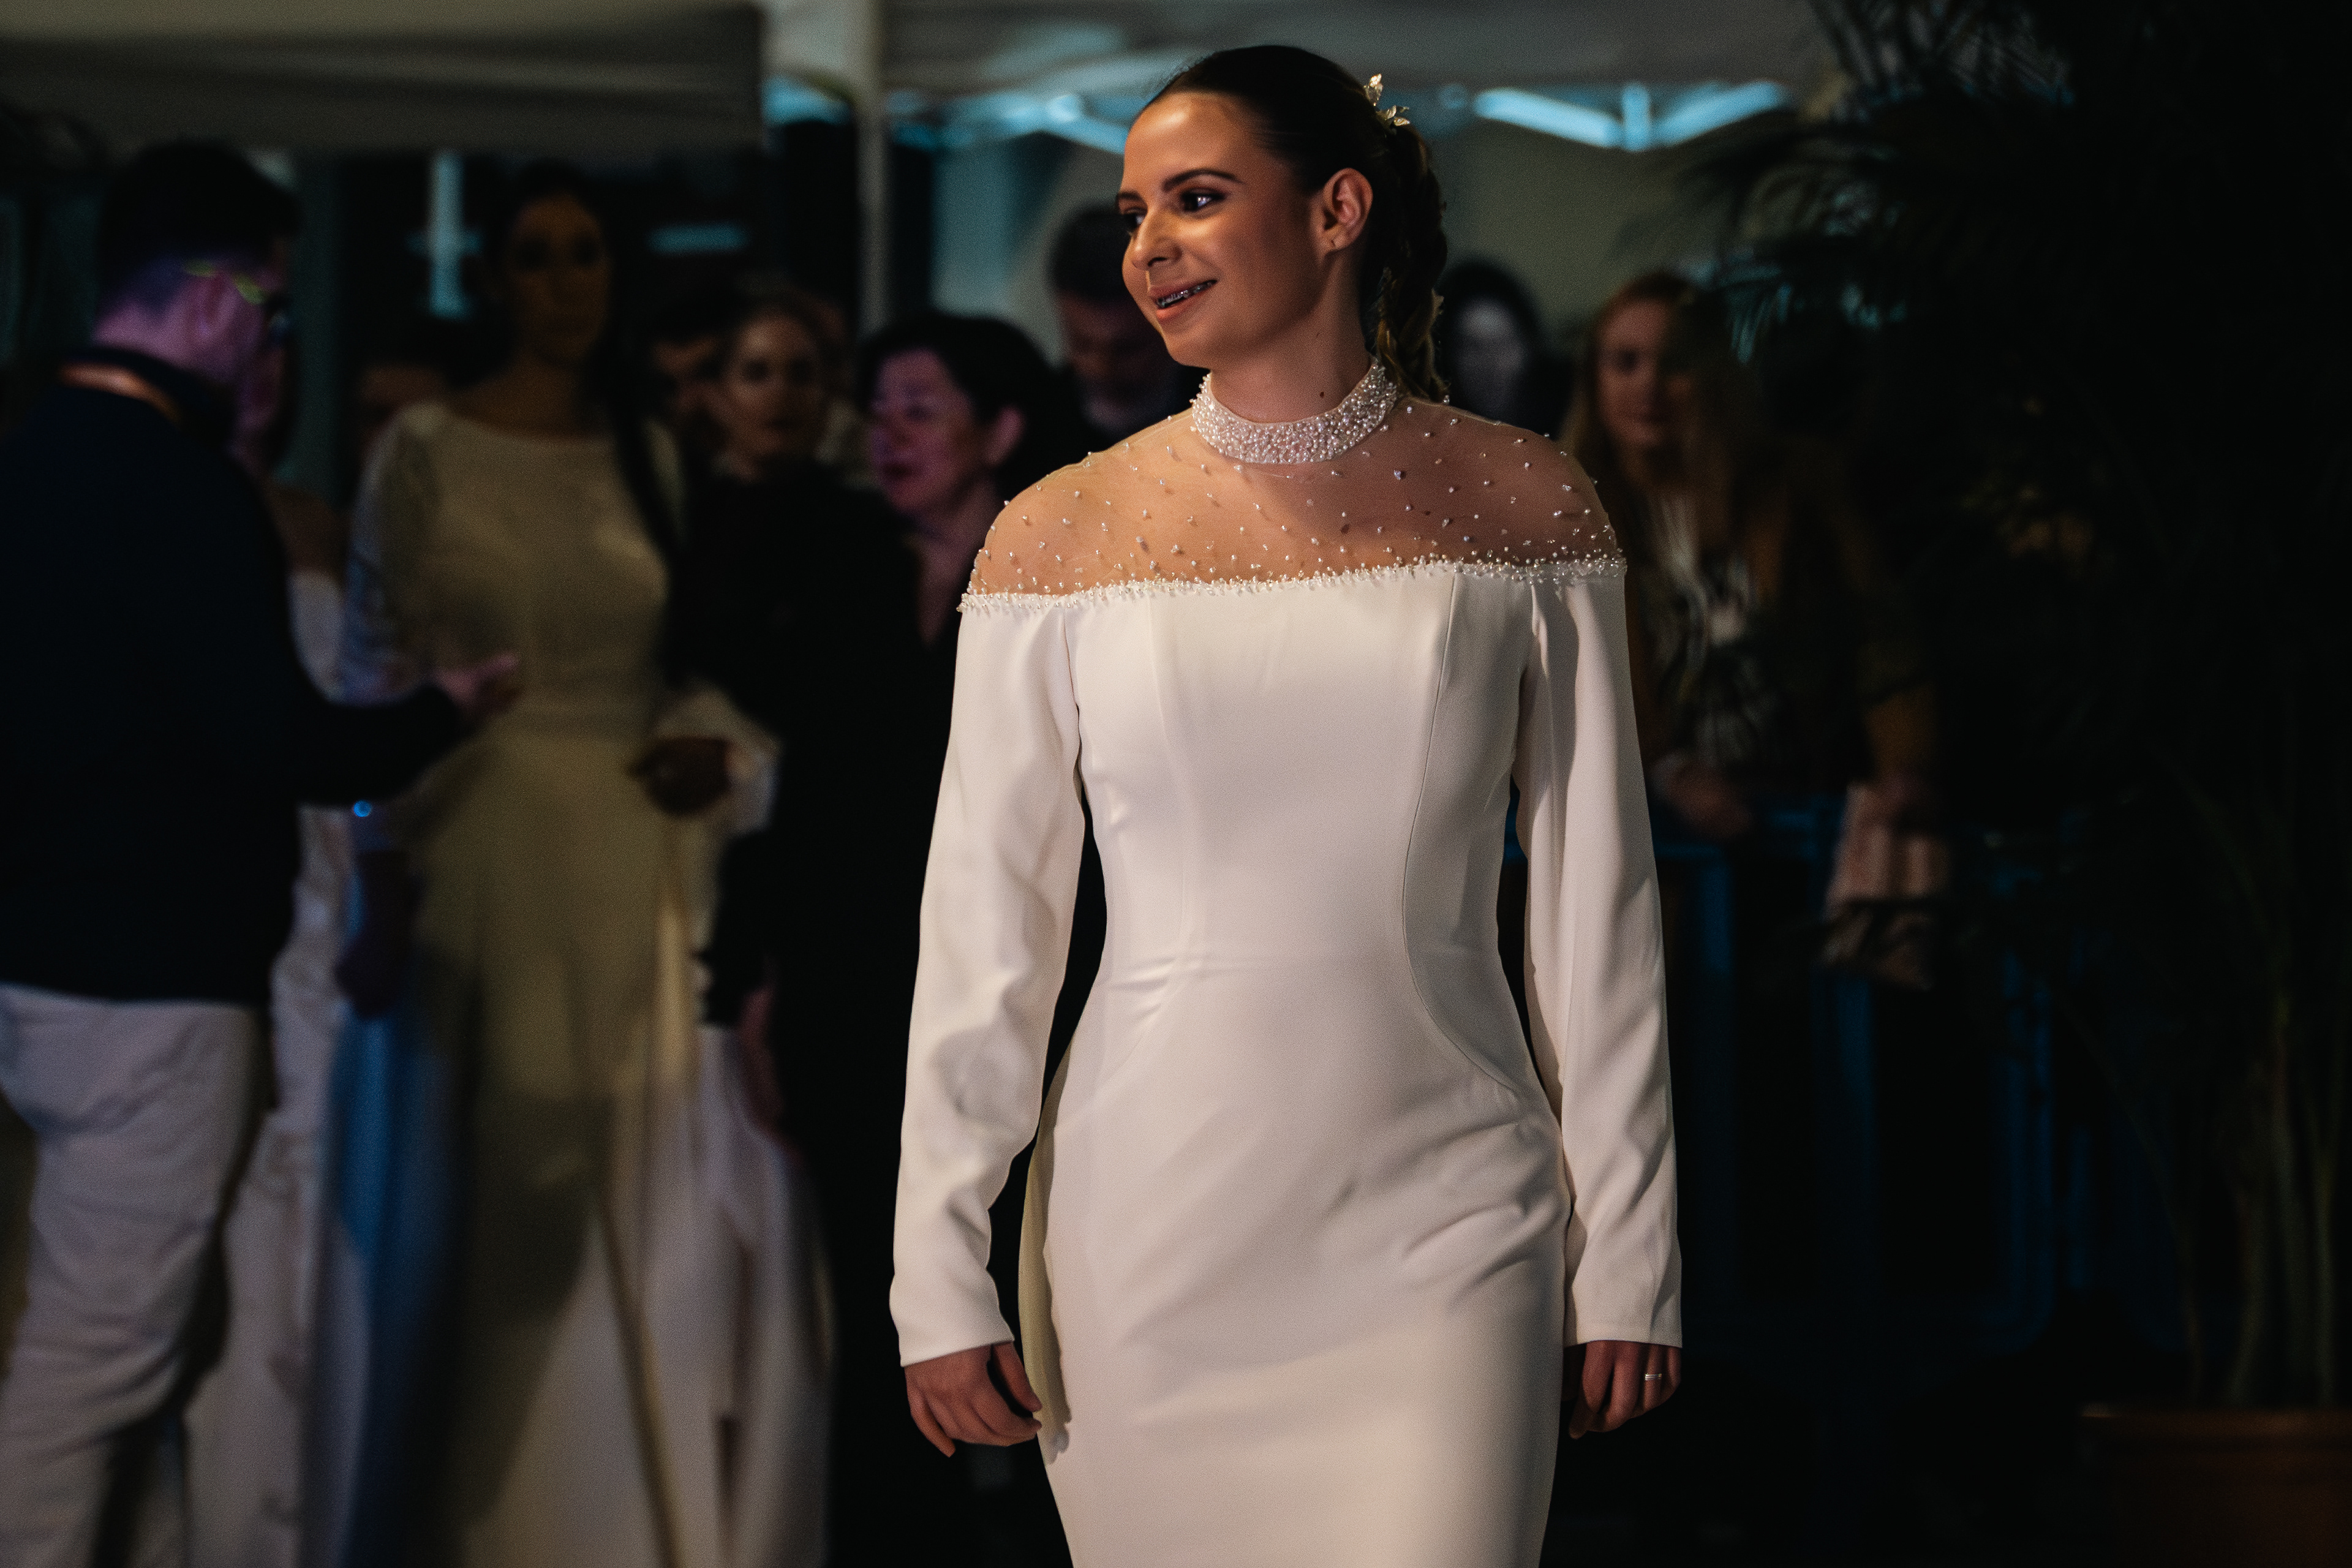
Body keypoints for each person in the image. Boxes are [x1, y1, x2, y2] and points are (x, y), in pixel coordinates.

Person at [891, 46, 1682, 1568]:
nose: (1149, 247)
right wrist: (935, 1268)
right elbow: (986, 937)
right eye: (1133, 212)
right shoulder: (1055, 534)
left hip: (1453, 1216)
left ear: (1336, 210)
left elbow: (1600, 916)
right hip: (1148, 1228)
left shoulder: (1525, 505)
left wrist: (1632, 1251)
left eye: (1195, 197)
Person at [0, 141, 510, 1568]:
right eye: (273, 308)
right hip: (155, 982)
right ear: (220, 298)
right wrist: (443, 709)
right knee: (98, 1364)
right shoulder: (180, 484)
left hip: (35, 967)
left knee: (139, 1356)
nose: (271, 344)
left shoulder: (23, 460)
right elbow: (284, 742)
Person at [333, 159, 820, 1568]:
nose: (565, 282)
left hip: (630, 840)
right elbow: (376, 667)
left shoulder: (645, 450)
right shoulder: (425, 447)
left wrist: (713, 750)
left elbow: (680, 657)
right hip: (483, 832)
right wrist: (379, 869)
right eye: (537, 256)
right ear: (494, 279)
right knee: (498, 1188)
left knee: (632, 1174)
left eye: (587, 253)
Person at [1566, 273, 1936, 853]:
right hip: (1653, 837)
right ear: (1595, 375)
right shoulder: (1566, 516)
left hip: (1811, 811)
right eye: (1625, 362)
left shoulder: (1795, 487)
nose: (1649, 385)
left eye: (1675, 363)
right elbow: (1565, 683)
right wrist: (1667, 769)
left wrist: (1907, 767)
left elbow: (1881, 634)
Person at [1049, 204, 1200, 446]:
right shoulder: (1037, 423)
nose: (1102, 369)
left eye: (1128, 350)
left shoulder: (1229, 400)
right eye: (1082, 345)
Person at [1434, 258, 1574, 437]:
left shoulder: (1570, 420)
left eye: (1504, 344)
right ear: (1447, 356)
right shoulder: (1435, 431)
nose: (1491, 364)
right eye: (1474, 347)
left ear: (1530, 347)